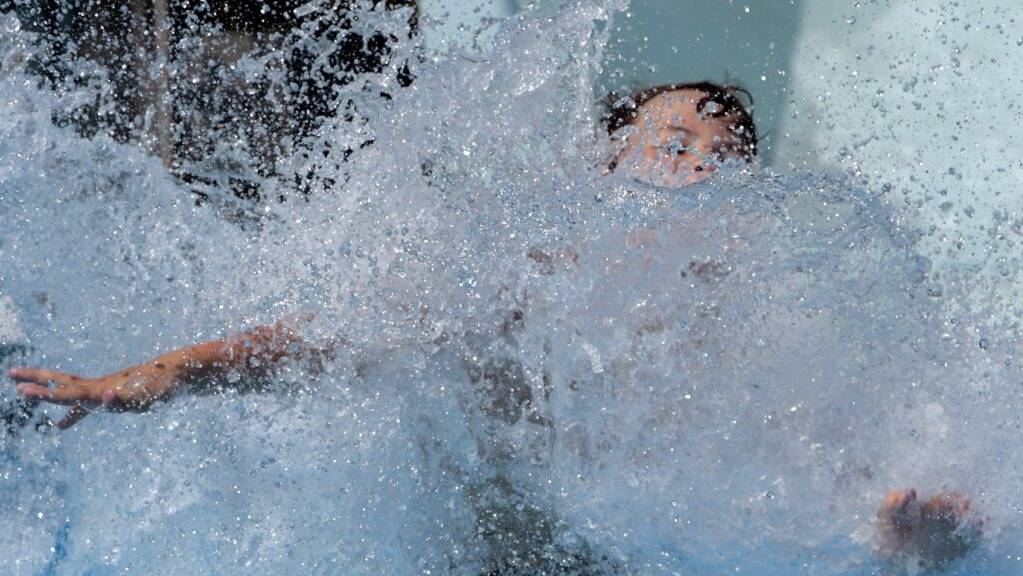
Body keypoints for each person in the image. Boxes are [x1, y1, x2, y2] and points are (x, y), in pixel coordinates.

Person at [13, 81, 979, 570]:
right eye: (673, 143)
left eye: (724, 158)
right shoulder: (534, 285)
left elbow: (825, 498)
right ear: (608, 167)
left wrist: (903, 532)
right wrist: (163, 372)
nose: (697, 167)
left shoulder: (757, 340)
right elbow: (338, 341)